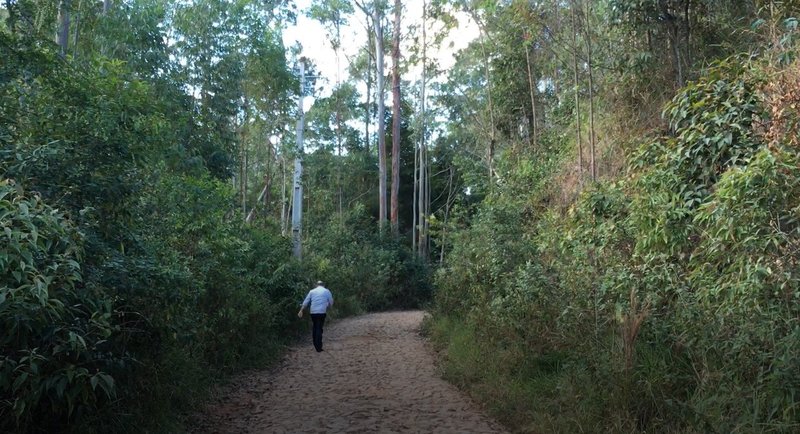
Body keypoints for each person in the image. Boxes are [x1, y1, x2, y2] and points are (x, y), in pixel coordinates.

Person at [298, 281, 334, 352]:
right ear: (323, 285)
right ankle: (319, 347)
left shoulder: (312, 291)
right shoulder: (327, 291)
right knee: (319, 328)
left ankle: (315, 343)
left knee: (315, 326)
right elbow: (331, 302)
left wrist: (301, 310)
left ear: (316, 285)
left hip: (313, 312)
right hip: (322, 312)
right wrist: (328, 306)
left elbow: (306, 301)